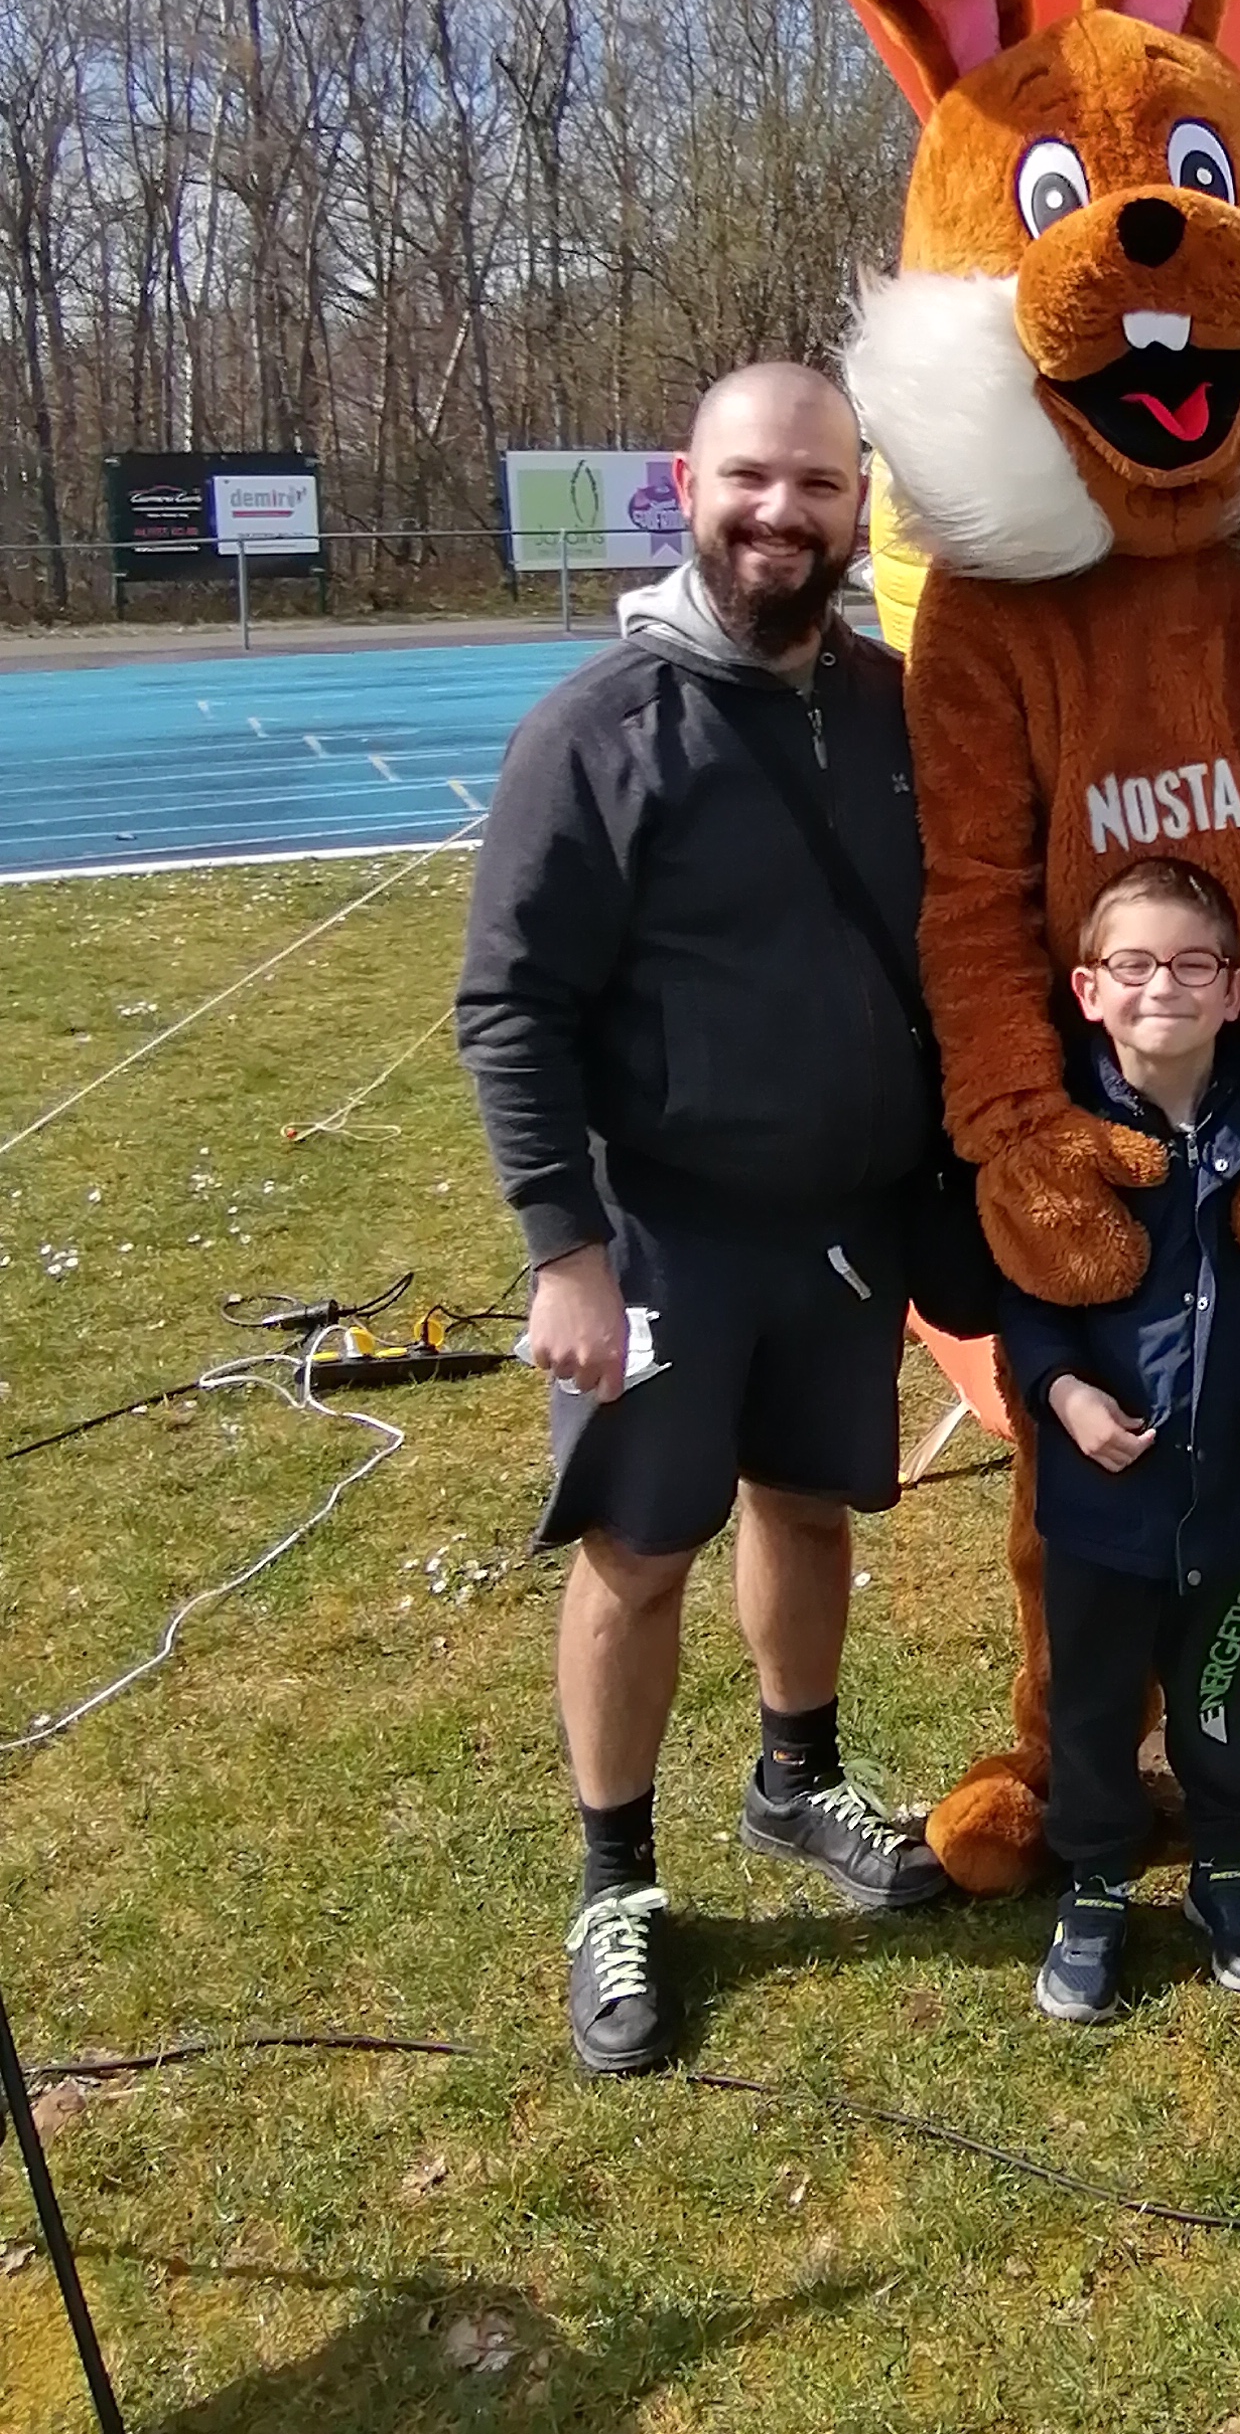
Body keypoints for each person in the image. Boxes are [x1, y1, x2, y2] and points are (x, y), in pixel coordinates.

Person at [457, 361, 948, 2079]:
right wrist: (563, 1250)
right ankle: (616, 1879)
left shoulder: (892, 706)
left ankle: (797, 1778)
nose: (780, 513)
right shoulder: (595, 730)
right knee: (640, 1548)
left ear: (859, 500)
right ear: (689, 485)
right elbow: (510, 1005)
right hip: (659, 1234)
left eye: (818, 483)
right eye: (751, 479)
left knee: (807, 1509)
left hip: (844, 1224)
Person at [999, 859, 1240, 2027]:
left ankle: (1226, 1861)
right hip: (1099, 1507)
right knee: (1091, 1699)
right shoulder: (1059, 1138)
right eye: (1133, 963)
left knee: (1217, 1688)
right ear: (1087, 989)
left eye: (1191, 963)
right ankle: (1097, 1880)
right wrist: (1064, 1393)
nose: (1161, 985)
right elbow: (1028, 1282)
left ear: (1234, 989)